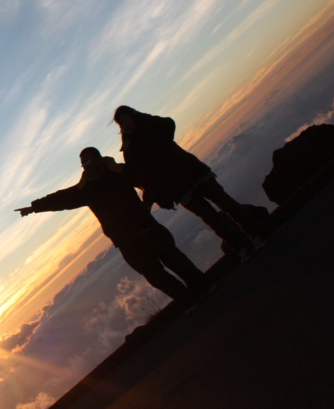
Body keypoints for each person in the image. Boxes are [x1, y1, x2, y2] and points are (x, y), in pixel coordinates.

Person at [16, 147, 208, 304]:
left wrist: (150, 200)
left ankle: (205, 290)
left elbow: (145, 179)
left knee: (177, 261)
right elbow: (61, 199)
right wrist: (34, 207)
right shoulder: (85, 190)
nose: (88, 166)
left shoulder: (120, 172)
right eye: (84, 163)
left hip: (148, 229)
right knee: (156, 276)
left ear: (99, 159)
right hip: (128, 242)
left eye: (90, 161)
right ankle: (189, 301)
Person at [112, 105, 265, 254]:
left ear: (134, 116)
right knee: (211, 218)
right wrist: (160, 197)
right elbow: (142, 178)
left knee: (226, 203)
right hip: (177, 188)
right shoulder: (130, 150)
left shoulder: (151, 127)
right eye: (122, 123)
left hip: (193, 172)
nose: (125, 125)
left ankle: (255, 234)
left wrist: (145, 118)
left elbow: (169, 125)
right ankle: (241, 247)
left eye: (126, 120)